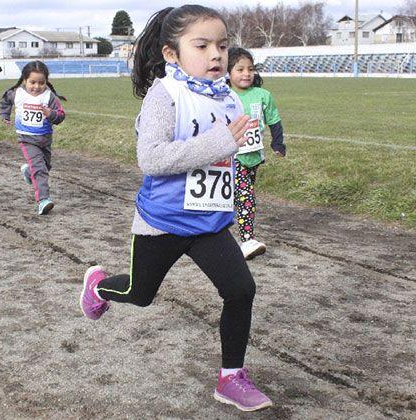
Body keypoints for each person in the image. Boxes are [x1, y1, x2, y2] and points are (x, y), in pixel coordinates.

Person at [78, 5, 272, 412]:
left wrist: (239, 173)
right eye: (201, 46)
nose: (216, 55)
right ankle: (97, 285)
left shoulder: (231, 101)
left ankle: (231, 377)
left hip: (209, 225)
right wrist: (220, 143)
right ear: (172, 53)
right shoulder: (164, 95)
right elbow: (151, 158)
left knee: (241, 290)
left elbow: (228, 160)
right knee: (140, 292)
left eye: (221, 45)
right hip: (162, 222)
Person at [227, 47, 286, 260]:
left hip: (253, 156)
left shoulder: (263, 96)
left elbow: (274, 120)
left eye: (250, 69)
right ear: (228, 72)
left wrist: (278, 144)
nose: (246, 74)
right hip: (230, 156)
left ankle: (223, 233)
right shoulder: (224, 95)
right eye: (240, 69)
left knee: (239, 195)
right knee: (245, 197)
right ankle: (247, 239)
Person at [0, 61, 66, 215]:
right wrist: (5, 115)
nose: (36, 87)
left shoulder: (50, 97)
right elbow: (5, 100)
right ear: (24, 80)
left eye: (41, 83)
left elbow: (61, 115)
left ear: (46, 82)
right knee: (40, 170)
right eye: (32, 82)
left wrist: (51, 114)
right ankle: (43, 200)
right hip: (27, 139)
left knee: (45, 167)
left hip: (45, 139)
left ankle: (29, 171)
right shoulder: (17, 93)